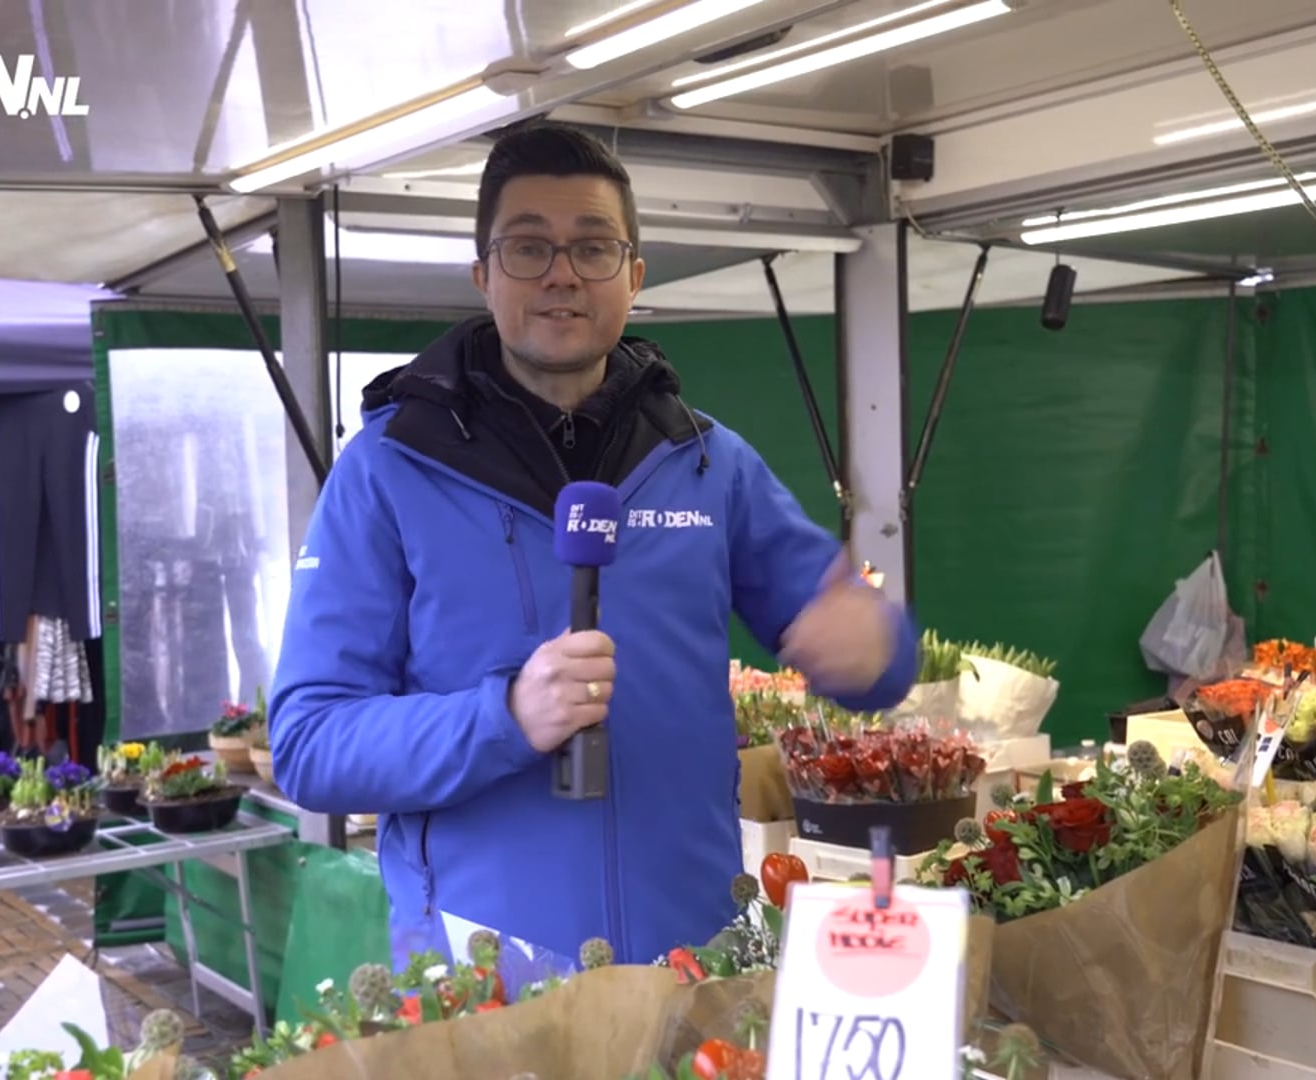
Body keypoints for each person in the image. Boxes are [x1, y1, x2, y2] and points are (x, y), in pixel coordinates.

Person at [269, 121, 919, 973]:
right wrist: (501, 719)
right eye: (529, 247)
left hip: (691, 967)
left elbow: (865, 644)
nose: (563, 274)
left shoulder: (708, 463)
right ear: (483, 274)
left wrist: (874, 647)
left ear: (635, 276)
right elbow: (312, 744)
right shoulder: (388, 473)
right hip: (486, 981)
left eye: (593, 247)